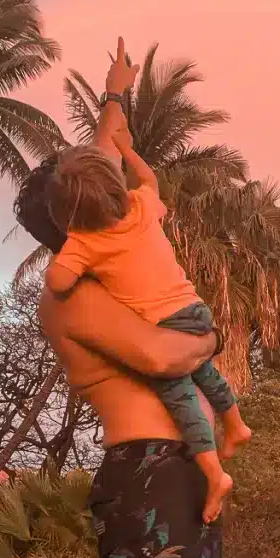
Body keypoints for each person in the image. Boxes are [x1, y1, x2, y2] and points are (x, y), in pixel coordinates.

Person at [13, 39, 229, 558]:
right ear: (71, 229)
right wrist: (209, 338)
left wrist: (115, 96)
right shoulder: (73, 297)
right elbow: (163, 355)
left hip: (186, 480)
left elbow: (102, 157)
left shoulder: (111, 254)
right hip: (148, 475)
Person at [41, 113, 251, 523]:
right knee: (205, 371)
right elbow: (148, 181)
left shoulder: (85, 244)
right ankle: (235, 422)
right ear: (116, 188)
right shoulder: (139, 206)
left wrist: (73, 247)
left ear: (65, 216)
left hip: (158, 458)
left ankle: (214, 470)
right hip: (194, 310)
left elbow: (59, 279)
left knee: (179, 391)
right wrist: (123, 147)